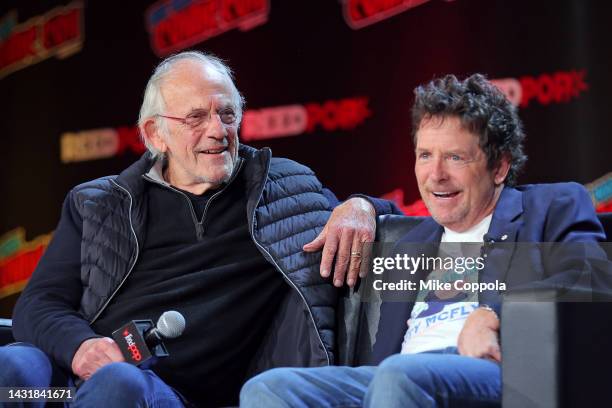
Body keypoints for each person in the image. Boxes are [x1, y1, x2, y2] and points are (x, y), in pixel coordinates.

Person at [0, 51, 400, 408]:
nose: (217, 130)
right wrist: (81, 347)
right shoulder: (99, 202)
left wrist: (362, 205)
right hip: (68, 389)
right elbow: (38, 304)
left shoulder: (283, 190)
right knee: (14, 368)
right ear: (157, 133)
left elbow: (397, 224)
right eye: (196, 117)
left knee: (119, 383)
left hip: (164, 395)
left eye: (226, 114)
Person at [239, 73, 609, 407]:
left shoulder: (551, 205)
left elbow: (590, 277)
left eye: (455, 157)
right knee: (268, 388)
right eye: (425, 155)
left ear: (499, 166)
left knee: (399, 375)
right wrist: (361, 204)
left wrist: (496, 315)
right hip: (392, 377)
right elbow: (383, 211)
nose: (435, 176)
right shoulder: (413, 238)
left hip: (501, 371)